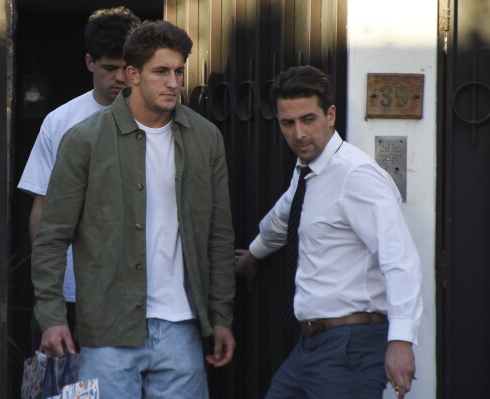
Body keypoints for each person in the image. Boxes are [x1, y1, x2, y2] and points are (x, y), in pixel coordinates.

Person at [31, 20, 236, 398]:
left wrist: (221, 317)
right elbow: (52, 236)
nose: (173, 82)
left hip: (181, 325)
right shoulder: (84, 140)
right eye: (161, 71)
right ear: (133, 75)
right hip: (106, 328)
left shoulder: (206, 139)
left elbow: (219, 236)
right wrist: (52, 317)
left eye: (178, 71)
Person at [235, 65, 422, 399]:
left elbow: (400, 259)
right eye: (287, 123)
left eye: (308, 119)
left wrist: (401, 340)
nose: (299, 134)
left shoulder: (356, 176)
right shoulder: (308, 171)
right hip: (310, 346)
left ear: (331, 115)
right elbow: (285, 218)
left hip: (352, 344)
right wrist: (253, 254)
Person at [17, 7, 140, 352]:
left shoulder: (158, 122)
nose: (118, 78)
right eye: (108, 68)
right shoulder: (60, 122)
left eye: (125, 69)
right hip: (70, 293)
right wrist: (49, 294)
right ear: (89, 63)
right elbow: (41, 211)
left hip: (134, 295)